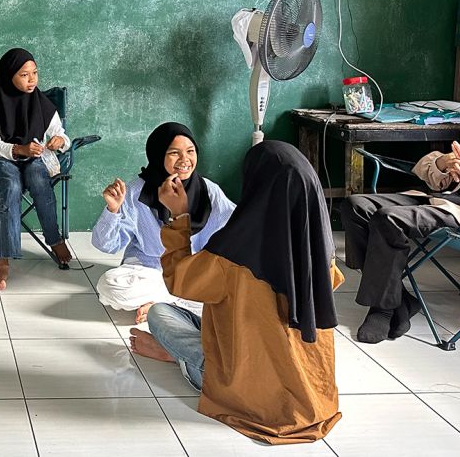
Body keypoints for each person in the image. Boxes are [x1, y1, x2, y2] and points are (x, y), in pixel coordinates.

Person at [143, 141, 343, 445]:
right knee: (204, 316)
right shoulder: (320, 249)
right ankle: (187, 353)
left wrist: (179, 217)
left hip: (246, 391)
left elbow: (178, 280)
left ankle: (184, 359)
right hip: (314, 393)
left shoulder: (232, 254)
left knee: (160, 313)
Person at [92, 123, 235, 352]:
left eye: (190, 151)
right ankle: (178, 300)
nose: (184, 159)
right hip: (149, 272)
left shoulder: (209, 190)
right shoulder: (137, 191)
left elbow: (235, 225)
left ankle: (161, 303)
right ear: (158, 155)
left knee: (232, 288)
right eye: (174, 153)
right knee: (109, 285)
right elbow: (106, 245)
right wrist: (113, 210)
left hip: (192, 271)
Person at [340, 135, 460, 344]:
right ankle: (400, 300)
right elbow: (425, 168)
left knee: (389, 220)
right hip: (438, 201)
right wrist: (445, 162)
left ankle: (382, 309)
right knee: (355, 206)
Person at [0, 48, 71, 290]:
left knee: (38, 178)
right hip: (1, 158)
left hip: (35, 159)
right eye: (24, 75)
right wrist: (19, 149)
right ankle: (4, 260)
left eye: (34, 73)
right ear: (9, 76)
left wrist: (60, 141)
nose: (31, 80)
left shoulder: (43, 104)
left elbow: (60, 134)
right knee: (12, 184)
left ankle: (54, 238)